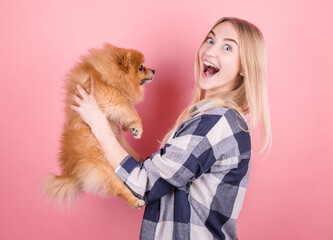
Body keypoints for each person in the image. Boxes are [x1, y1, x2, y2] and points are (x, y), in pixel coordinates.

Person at [71, 17, 271, 240]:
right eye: (210, 40)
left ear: (245, 67)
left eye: (227, 47)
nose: (210, 51)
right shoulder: (217, 118)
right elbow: (160, 177)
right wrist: (117, 135)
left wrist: (98, 123)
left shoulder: (214, 124)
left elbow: (144, 184)